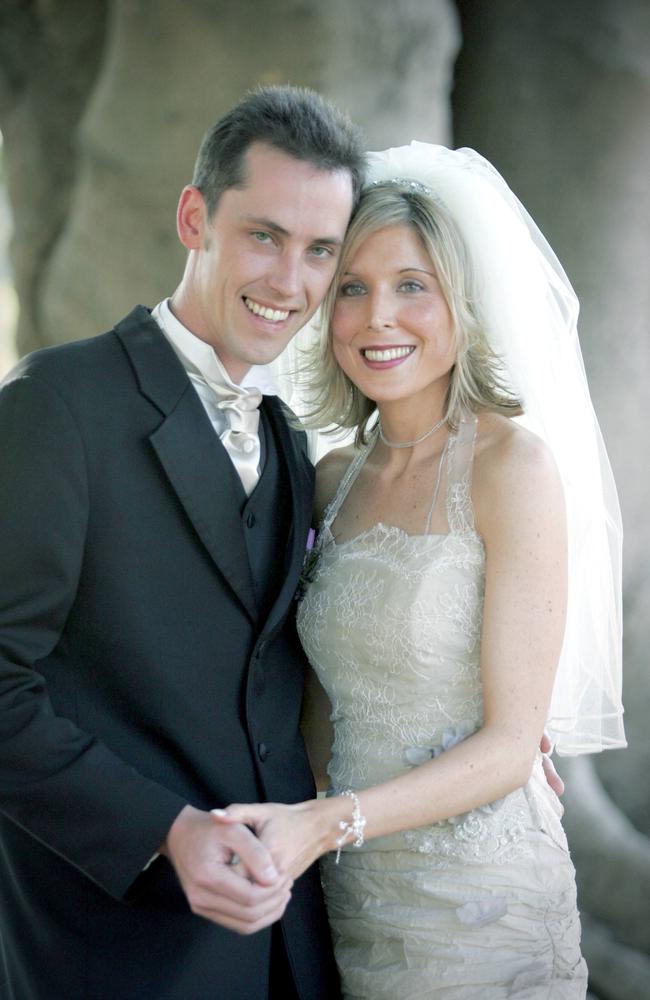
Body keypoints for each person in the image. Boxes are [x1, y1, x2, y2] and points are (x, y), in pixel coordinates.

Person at [213, 142, 626, 998]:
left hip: (480, 902)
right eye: (353, 289)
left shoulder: (512, 469)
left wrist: (327, 824)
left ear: (462, 304)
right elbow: (316, 710)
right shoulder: (330, 480)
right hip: (352, 896)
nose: (377, 319)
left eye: (412, 286)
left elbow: (513, 745)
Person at [0, 85, 365, 1000]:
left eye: (321, 251)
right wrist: (165, 828)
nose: (291, 282)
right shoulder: (56, 406)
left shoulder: (289, 439)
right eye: (264, 235)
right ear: (194, 217)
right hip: (110, 948)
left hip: (285, 947)